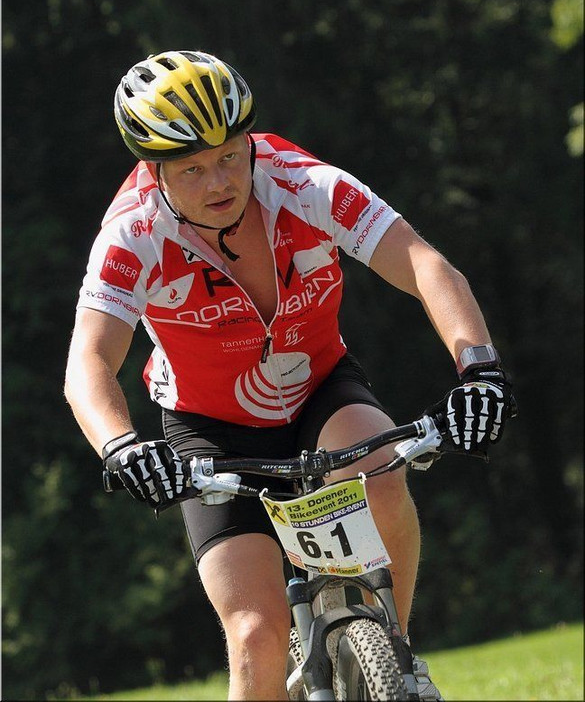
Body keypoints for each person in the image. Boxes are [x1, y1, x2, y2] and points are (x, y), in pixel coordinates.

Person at [64, 50, 516, 701]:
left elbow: (424, 265)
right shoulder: (132, 232)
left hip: (319, 390)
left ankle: (393, 657)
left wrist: (481, 372)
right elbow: (87, 361)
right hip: (210, 428)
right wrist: (122, 446)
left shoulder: (301, 184)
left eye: (230, 155)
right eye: (192, 169)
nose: (220, 182)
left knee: (382, 466)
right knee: (255, 635)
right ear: (154, 171)